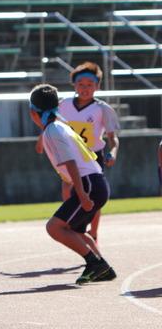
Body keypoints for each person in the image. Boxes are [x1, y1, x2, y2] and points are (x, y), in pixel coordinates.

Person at [29, 84, 116, 285]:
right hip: (94, 182)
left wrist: (82, 195)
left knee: (54, 227)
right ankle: (103, 268)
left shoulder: (53, 130)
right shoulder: (59, 126)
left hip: (89, 184)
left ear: (33, 113)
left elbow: (71, 163)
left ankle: (95, 264)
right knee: (76, 230)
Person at [56, 62, 119, 242]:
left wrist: (113, 152)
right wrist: (41, 141)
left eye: (89, 85)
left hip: (92, 157)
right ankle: (74, 226)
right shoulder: (63, 105)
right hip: (69, 157)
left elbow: (112, 137)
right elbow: (52, 125)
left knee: (95, 196)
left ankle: (93, 232)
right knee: (68, 192)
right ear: (74, 85)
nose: (85, 89)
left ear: (97, 86)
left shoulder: (102, 109)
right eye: (81, 84)